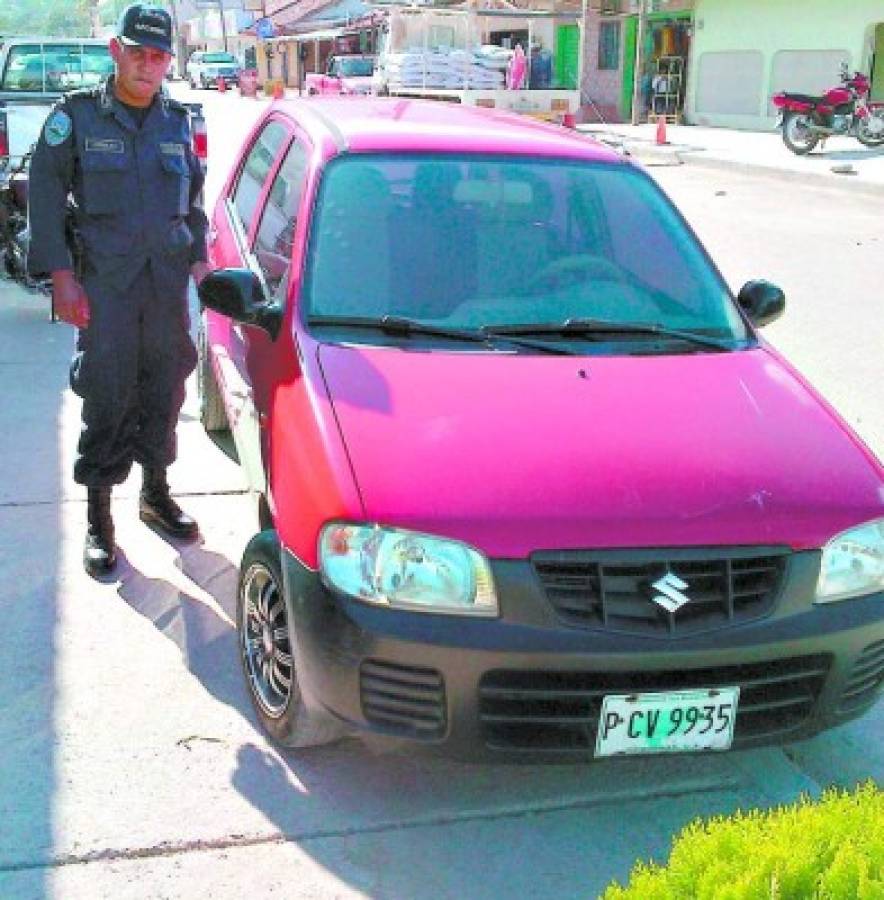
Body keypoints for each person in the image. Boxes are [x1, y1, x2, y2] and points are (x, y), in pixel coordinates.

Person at [28, 4, 211, 576]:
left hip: (165, 287)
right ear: (116, 50)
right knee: (107, 393)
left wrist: (202, 267)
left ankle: (155, 494)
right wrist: (60, 278)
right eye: (138, 52)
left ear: (167, 61)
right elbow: (45, 194)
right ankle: (98, 516)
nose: (147, 64)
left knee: (166, 388)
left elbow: (195, 205)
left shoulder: (178, 121)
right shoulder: (77, 118)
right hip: (103, 287)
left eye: (158, 55)